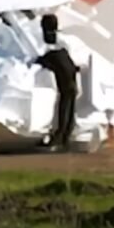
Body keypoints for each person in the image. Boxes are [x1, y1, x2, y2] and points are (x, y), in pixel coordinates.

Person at [33, 13, 79, 150]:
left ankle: (60, 138)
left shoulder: (52, 51)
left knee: (64, 111)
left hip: (66, 86)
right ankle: (65, 139)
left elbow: (43, 60)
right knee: (69, 111)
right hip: (71, 83)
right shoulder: (62, 48)